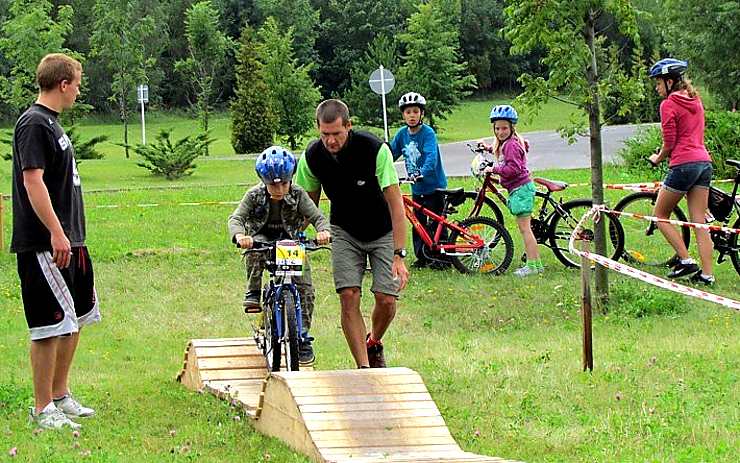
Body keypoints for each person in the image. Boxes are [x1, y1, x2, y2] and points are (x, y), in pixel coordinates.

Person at [10, 53, 100, 430]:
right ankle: (42, 406)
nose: (78, 91)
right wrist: (56, 232)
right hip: (44, 243)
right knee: (50, 324)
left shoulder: (53, 124)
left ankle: (60, 395)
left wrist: (71, 235)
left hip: (71, 240)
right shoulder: (33, 123)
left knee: (76, 317)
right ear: (63, 84)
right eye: (76, 84)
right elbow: (33, 181)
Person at [295, 99, 410, 368]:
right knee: (348, 295)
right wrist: (287, 234)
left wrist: (399, 254)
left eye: (336, 133)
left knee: (386, 299)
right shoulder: (312, 156)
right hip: (344, 230)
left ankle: (374, 341)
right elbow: (307, 206)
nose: (330, 141)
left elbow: (396, 204)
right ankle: (363, 367)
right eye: (325, 134)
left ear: (348, 125)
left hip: (382, 230)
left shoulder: (374, 149)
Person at [228, 146, 331, 365]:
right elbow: (236, 218)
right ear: (263, 181)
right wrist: (240, 236)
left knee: (305, 288)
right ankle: (253, 291)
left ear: (291, 178)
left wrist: (323, 231)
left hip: (290, 240)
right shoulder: (253, 195)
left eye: (284, 183)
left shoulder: (298, 194)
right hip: (261, 239)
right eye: (273, 184)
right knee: (254, 253)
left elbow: (317, 216)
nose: (279, 189)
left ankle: (302, 336)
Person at [647, 58, 714, 285]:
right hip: (703, 163)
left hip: (684, 164)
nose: (657, 88)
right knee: (699, 222)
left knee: (660, 215)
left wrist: (657, 158)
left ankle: (686, 260)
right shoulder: (695, 99)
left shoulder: (668, 104)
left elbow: (669, 143)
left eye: (658, 83)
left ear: (669, 82)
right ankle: (707, 275)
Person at [478, 104, 543, 277]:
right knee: (526, 229)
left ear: (512, 127)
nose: (500, 132)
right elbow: (502, 154)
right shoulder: (507, 143)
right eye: (497, 128)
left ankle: (532, 266)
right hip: (519, 189)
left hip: (521, 189)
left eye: (504, 128)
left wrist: (493, 169)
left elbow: (513, 169)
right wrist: (487, 147)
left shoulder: (511, 145)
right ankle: (537, 265)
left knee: (525, 229)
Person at [389, 92, 449, 269]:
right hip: (417, 189)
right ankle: (422, 257)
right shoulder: (402, 134)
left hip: (434, 186)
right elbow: (391, 154)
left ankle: (442, 258)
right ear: (403, 115)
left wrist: (421, 173)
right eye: (408, 112)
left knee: (438, 223)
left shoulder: (428, 133)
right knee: (417, 223)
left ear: (422, 113)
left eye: (415, 111)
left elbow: (431, 157)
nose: (412, 116)